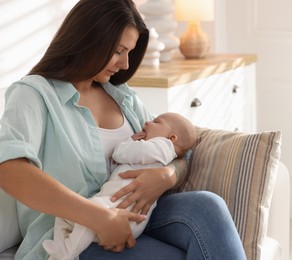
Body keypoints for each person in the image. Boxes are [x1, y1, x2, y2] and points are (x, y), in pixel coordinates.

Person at [0, 0, 247, 259]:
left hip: (140, 214)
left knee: (208, 207)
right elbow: (9, 169)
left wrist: (167, 175)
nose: (126, 64)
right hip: (73, 235)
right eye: (119, 51)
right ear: (88, 38)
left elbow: (180, 149)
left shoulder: (122, 97)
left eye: (129, 52)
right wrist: (99, 217)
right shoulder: (34, 94)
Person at [42, 112, 197, 260]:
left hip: (124, 212)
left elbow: (121, 154)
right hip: (114, 207)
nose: (148, 122)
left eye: (156, 122)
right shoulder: (155, 148)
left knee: (88, 216)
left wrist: (129, 142)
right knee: (66, 214)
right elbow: (120, 163)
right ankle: (63, 247)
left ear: (172, 138)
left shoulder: (162, 147)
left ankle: (67, 253)